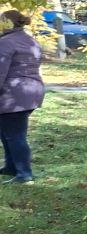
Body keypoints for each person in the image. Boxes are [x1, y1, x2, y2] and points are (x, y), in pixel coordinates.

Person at [0, 10, 44, 185]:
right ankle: (11, 166)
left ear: (7, 23)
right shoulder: (30, 40)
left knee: (15, 135)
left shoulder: (5, 43)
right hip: (32, 92)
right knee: (7, 131)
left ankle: (24, 174)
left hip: (14, 94)